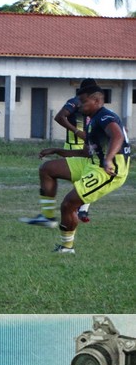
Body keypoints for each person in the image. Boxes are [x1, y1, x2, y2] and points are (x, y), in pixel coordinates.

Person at [19, 84, 130, 254]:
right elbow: (86, 152)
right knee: (48, 169)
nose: (79, 105)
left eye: (83, 101)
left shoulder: (105, 116)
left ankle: (67, 248)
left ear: (97, 100)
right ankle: (47, 217)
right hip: (91, 162)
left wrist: (108, 160)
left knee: (68, 204)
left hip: (108, 170)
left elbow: (117, 136)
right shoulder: (92, 119)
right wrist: (58, 151)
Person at [53, 78, 97, 223]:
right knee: (82, 180)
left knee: (90, 178)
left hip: (88, 147)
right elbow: (59, 117)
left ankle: (82, 210)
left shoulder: (94, 105)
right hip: (73, 146)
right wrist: (77, 132)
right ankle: (78, 209)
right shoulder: (75, 102)